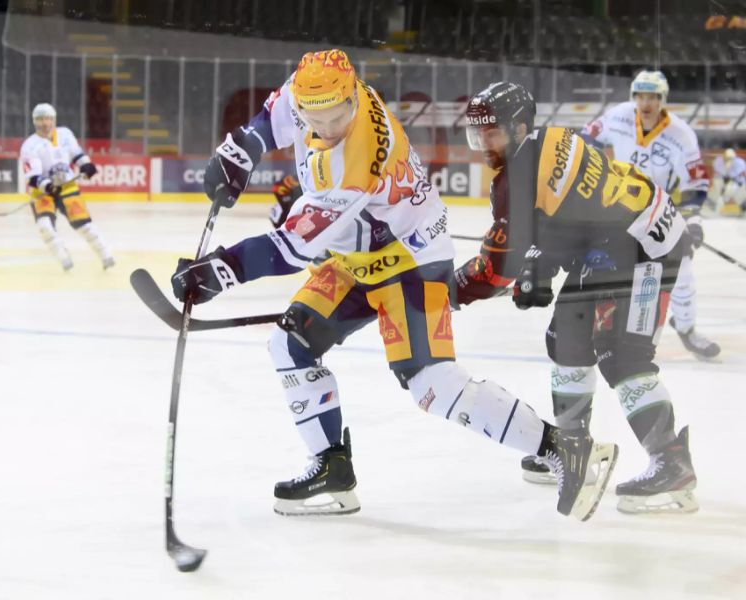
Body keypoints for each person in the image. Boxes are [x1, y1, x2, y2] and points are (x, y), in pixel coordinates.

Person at [169, 50, 618, 521]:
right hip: (356, 257)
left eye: (338, 114)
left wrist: (219, 270)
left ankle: (562, 449)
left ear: (353, 96)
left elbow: (289, 249)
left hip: (412, 262)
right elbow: (268, 120)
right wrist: (238, 153)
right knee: (290, 343)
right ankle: (331, 469)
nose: (326, 125)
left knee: (434, 385)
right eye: (314, 116)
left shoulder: (355, 163)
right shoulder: (316, 87)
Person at [456, 81, 699, 514]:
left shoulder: (516, 181)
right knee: (566, 337)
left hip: (645, 249)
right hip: (614, 243)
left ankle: (672, 464)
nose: (483, 144)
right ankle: (574, 448)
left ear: (519, 127)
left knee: (623, 354)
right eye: (478, 134)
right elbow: (569, 222)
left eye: (491, 133)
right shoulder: (554, 137)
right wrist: (540, 261)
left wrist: (455, 289)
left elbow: (498, 271)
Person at [581, 71, 720, 360]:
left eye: (653, 97)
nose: (646, 103)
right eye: (641, 96)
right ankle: (595, 328)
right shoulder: (619, 116)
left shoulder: (681, 135)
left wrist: (692, 220)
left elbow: (695, 182)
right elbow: (588, 135)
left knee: (680, 268)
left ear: (662, 99)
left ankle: (686, 328)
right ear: (634, 97)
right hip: (618, 208)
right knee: (604, 266)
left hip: (660, 211)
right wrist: (593, 165)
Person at [20, 103, 114, 271]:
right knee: (45, 226)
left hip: (68, 187)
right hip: (42, 193)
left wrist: (86, 165)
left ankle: (106, 257)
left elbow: (77, 154)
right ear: (35, 122)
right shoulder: (29, 145)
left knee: (84, 225)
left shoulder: (65, 134)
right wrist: (47, 186)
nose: (45, 123)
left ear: (53, 119)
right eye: (41, 119)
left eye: (48, 118)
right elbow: (32, 177)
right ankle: (64, 259)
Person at [710, 148, 746, 218]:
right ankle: (711, 211)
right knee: (718, 195)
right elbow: (718, 177)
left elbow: (744, 176)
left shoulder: (740, 163)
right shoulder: (718, 161)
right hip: (722, 181)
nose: (728, 160)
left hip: (738, 182)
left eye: (730, 158)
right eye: (727, 158)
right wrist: (721, 188)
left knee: (741, 197)